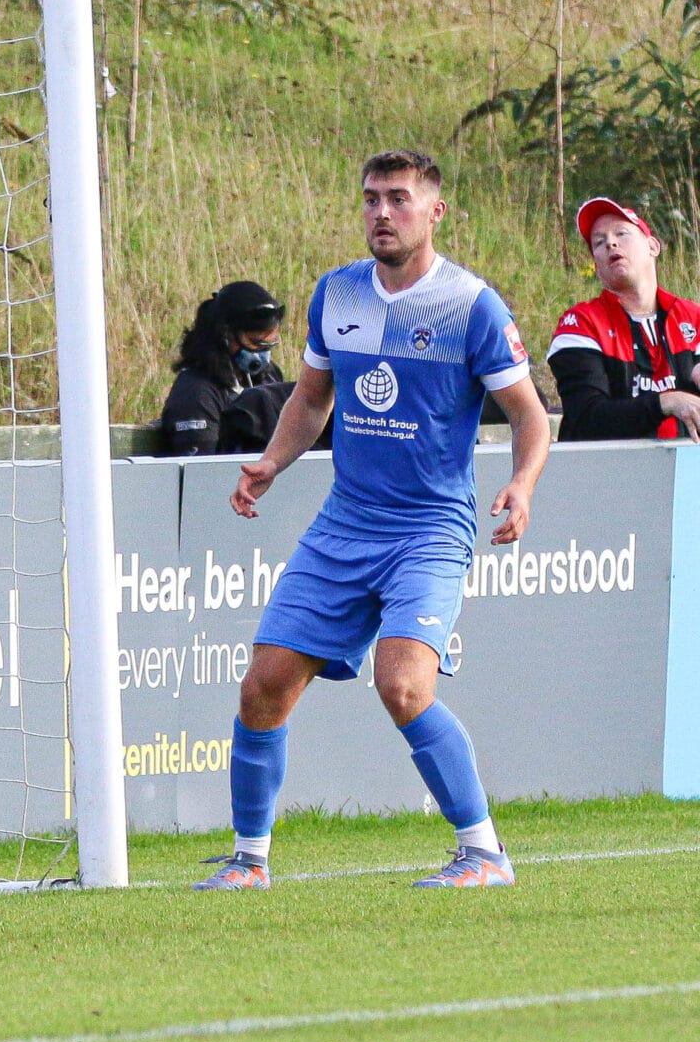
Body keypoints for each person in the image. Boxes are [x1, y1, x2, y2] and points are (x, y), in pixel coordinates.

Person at [198, 148, 550, 892]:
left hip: (429, 528)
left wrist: (522, 484)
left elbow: (529, 414)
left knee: (403, 685)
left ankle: (485, 852)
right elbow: (311, 399)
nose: (381, 213)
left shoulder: (473, 306)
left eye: (397, 198)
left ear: (434, 211)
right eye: (370, 199)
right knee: (263, 684)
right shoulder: (338, 293)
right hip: (345, 523)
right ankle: (249, 862)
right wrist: (271, 462)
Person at [547, 198, 700, 441]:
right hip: (608, 464)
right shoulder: (581, 323)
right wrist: (666, 402)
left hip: (686, 462)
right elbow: (585, 418)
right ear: (597, 267)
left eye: (621, 233)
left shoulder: (693, 318)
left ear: (653, 246)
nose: (611, 243)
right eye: (599, 242)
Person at [156, 280, 297, 456]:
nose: (263, 355)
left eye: (269, 345)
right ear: (225, 335)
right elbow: (201, 467)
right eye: (255, 343)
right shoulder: (196, 391)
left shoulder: (270, 375)